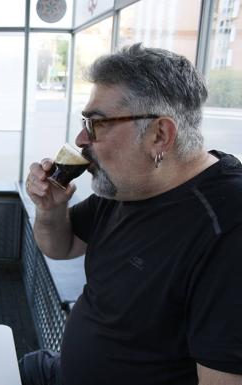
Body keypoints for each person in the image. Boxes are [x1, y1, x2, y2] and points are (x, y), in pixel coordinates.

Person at [22, 44, 242, 385]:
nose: (81, 139)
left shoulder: (227, 228)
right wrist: (50, 208)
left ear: (159, 135)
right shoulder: (130, 184)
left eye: (96, 124)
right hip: (59, 371)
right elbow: (60, 247)